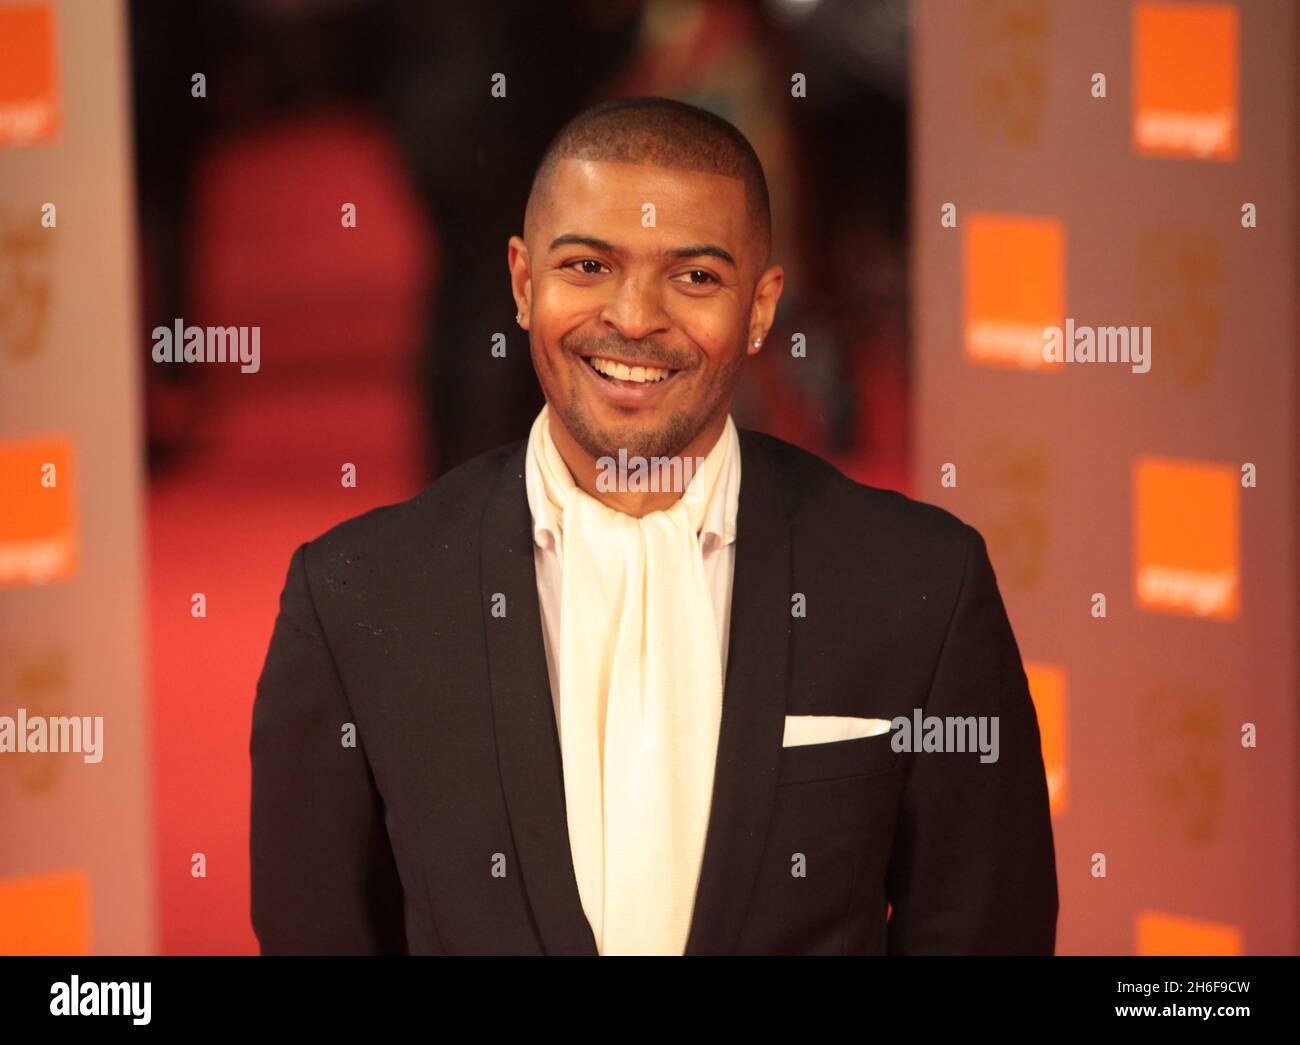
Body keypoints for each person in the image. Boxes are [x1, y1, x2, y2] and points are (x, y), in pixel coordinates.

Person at [249, 96, 1058, 956]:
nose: (634, 318)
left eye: (696, 276)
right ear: (524, 283)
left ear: (760, 306)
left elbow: (982, 927)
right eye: (588, 266)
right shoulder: (356, 596)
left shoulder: (921, 585)